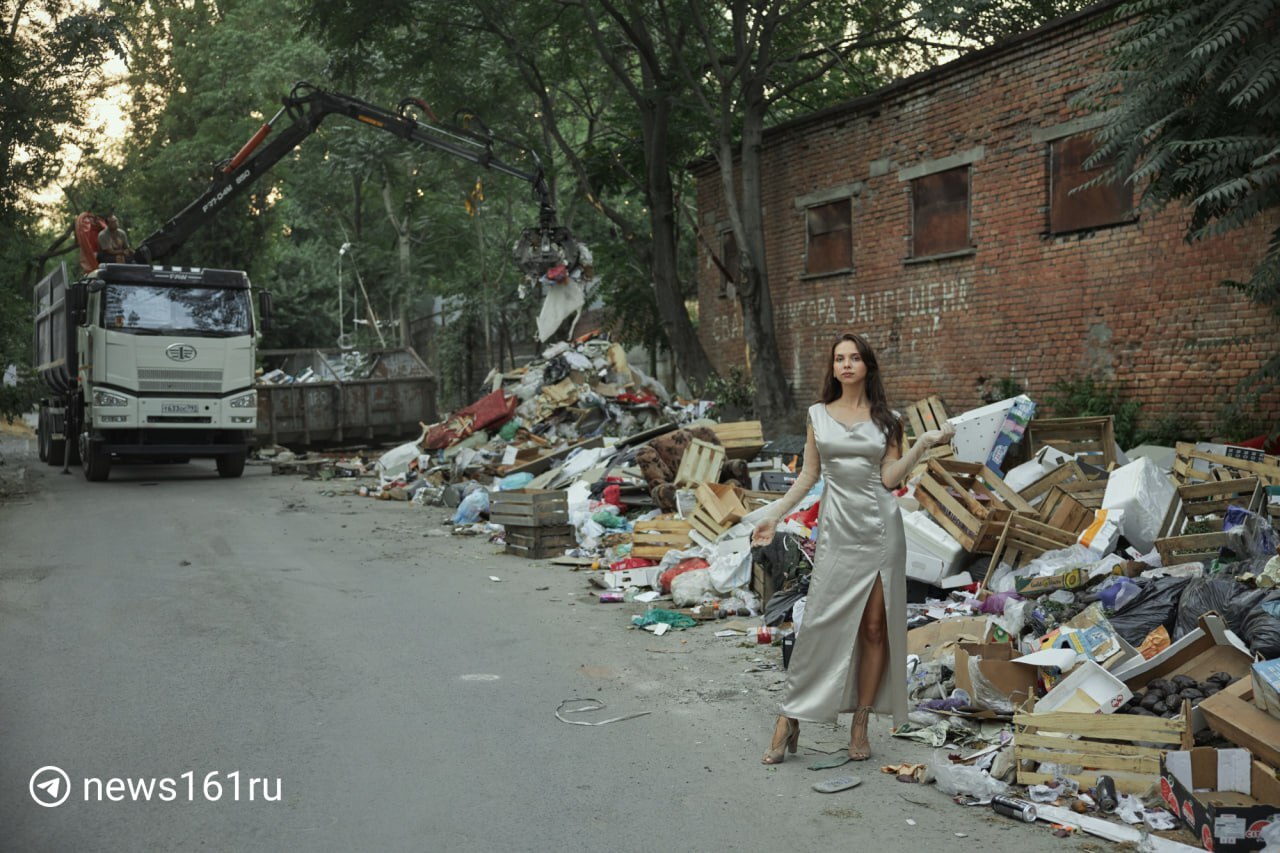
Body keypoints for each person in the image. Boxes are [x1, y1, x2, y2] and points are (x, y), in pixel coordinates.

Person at [752, 333, 954, 765]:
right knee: (819, 625)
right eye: (839, 358)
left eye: (854, 358)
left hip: (881, 530)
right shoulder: (817, 415)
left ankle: (861, 721)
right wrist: (775, 514)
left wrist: (920, 446)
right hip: (837, 532)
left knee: (875, 628)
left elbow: (890, 480)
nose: (846, 365)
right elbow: (808, 477)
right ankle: (791, 716)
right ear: (833, 367)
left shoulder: (889, 420)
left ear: (867, 366)